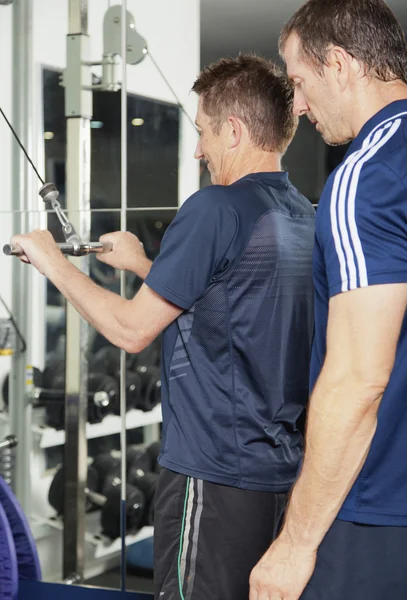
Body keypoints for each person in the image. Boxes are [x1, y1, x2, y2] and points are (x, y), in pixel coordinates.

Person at [12, 54, 315, 600]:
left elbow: (131, 331)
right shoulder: (298, 214)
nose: (198, 150)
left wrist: (49, 259)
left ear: (234, 130)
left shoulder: (214, 208)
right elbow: (232, 307)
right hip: (275, 475)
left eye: (202, 132)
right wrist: (144, 267)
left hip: (212, 473)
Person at [249, 1, 407, 599]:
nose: (299, 106)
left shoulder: (369, 172)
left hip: (375, 506)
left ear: (339, 64)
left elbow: (358, 379)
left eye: (298, 82)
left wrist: (294, 544)